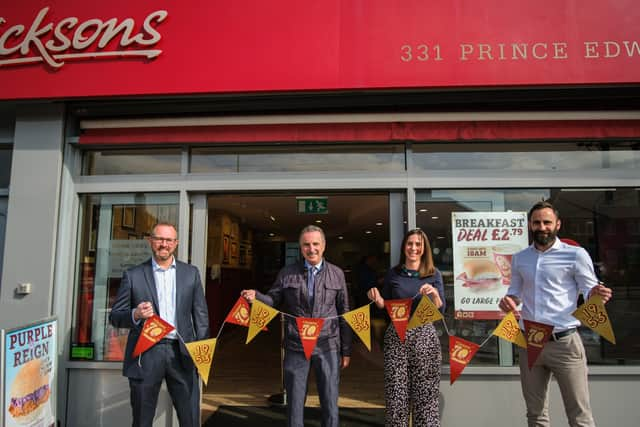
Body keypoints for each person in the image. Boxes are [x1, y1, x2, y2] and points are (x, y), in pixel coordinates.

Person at [498, 201, 613, 427]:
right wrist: (508, 302)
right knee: (535, 415)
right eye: (537, 222)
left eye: (547, 222)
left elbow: (590, 292)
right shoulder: (521, 257)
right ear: (530, 225)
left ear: (558, 224)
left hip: (565, 342)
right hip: (530, 342)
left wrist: (598, 295)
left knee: (579, 415)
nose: (542, 227)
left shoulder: (576, 255)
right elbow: (515, 294)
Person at [241, 225, 352, 427]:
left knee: (329, 399)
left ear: (324, 246)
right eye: (306, 245)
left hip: (328, 345)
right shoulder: (287, 273)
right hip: (295, 344)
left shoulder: (337, 274)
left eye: (315, 244)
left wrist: (346, 350)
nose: (311, 249)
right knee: (294, 401)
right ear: (301, 248)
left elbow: (345, 312)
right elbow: (273, 300)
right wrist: (257, 297)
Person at [109, 222, 210, 427]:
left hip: (181, 354)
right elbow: (115, 317)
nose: (164, 244)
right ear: (150, 241)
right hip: (146, 354)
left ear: (176, 243)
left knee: (189, 418)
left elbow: (201, 316)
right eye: (159, 239)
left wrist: (201, 353)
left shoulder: (191, 273)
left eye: (169, 240)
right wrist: (135, 313)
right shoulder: (134, 275)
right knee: (142, 419)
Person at [367, 228, 445, 427]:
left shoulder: (433, 273)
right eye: (410, 243)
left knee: (425, 399)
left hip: (425, 337)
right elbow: (386, 304)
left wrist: (434, 293)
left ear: (424, 248)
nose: (414, 248)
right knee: (396, 397)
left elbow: (440, 309)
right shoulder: (394, 273)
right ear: (404, 247)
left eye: (418, 244)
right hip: (396, 337)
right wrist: (377, 299)